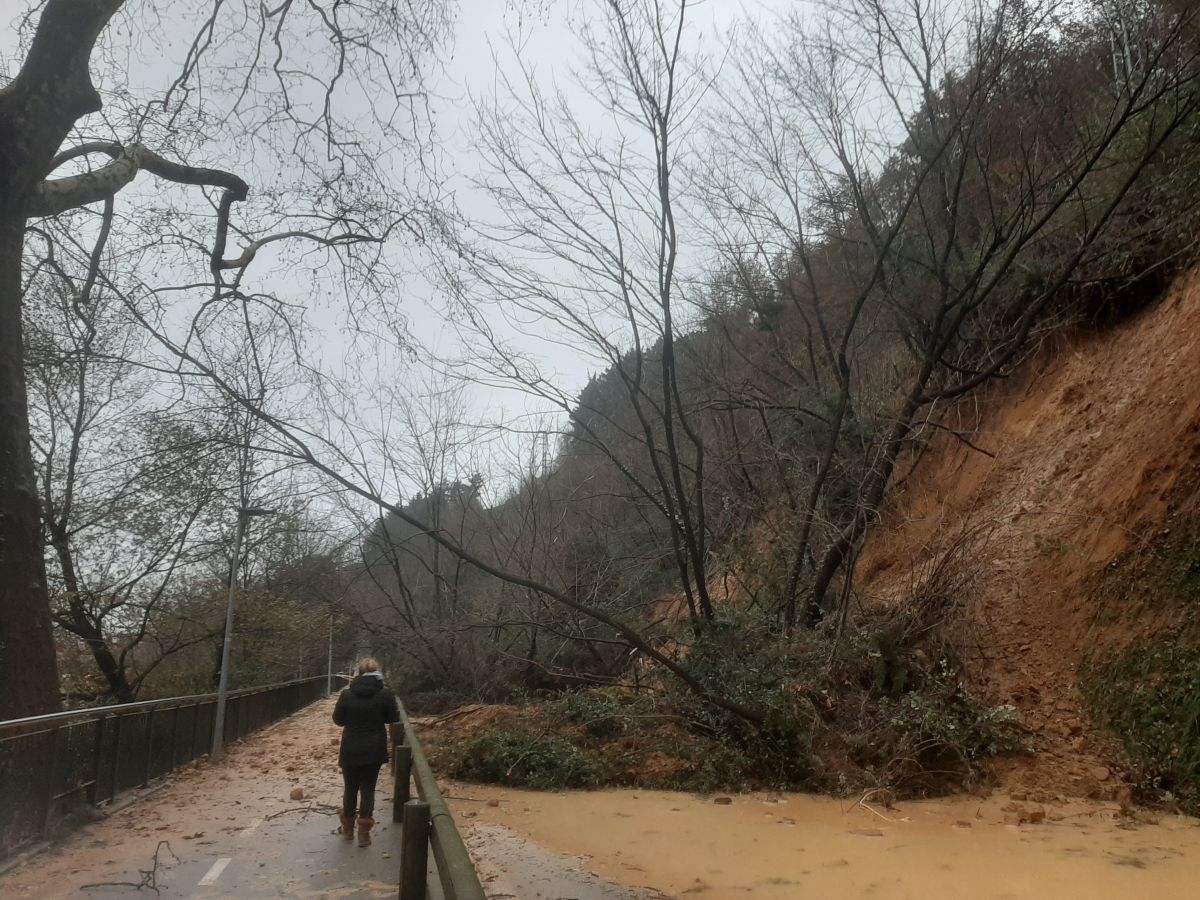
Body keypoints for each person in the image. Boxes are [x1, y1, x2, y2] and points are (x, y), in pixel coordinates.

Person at [332, 657, 399, 847]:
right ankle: (364, 834)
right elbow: (392, 717)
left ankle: (347, 830)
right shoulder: (385, 694)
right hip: (374, 747)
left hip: (351, 747)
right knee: (368, 788)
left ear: (359, 674)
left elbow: (338, 720)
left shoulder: (347, 694)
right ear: (377, 673)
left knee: (350, 787)